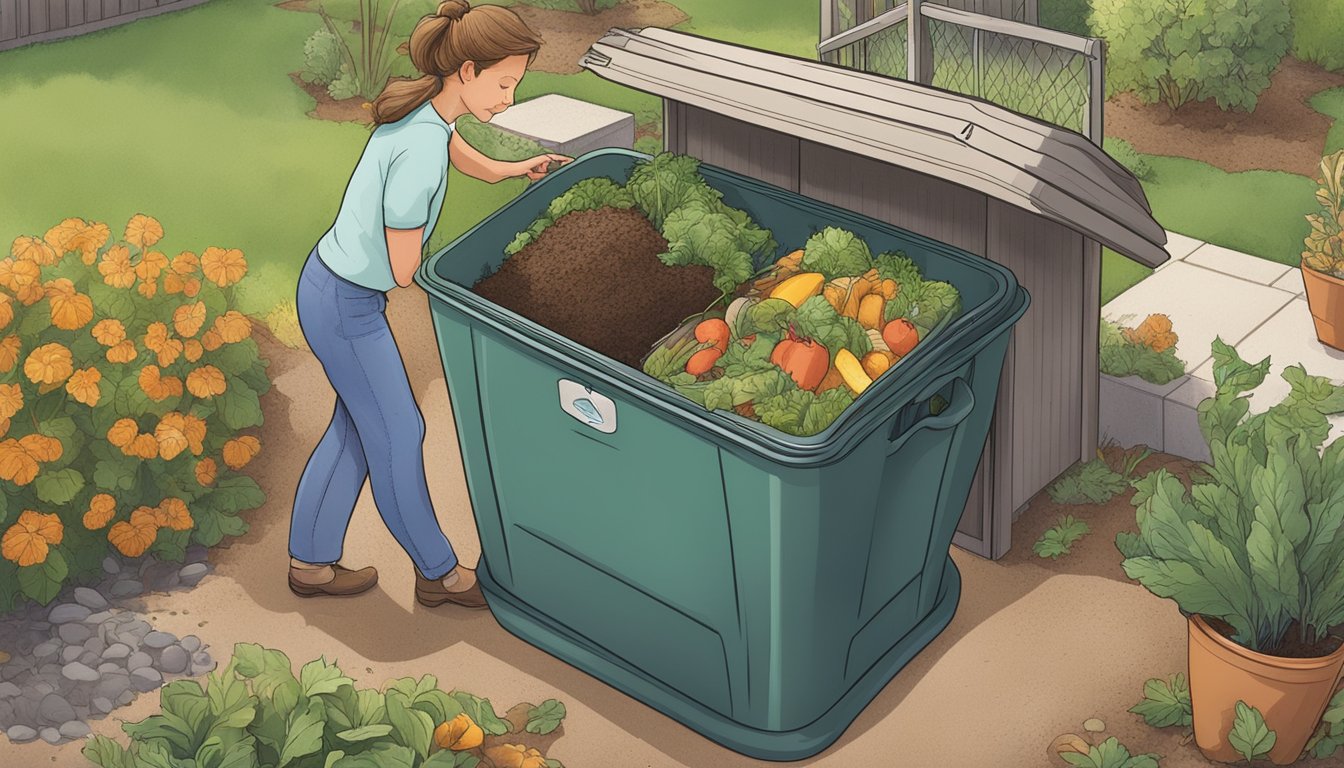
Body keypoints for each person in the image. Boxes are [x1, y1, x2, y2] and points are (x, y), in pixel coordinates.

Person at [287, 0, 567, 608]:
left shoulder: (429, 119)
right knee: (398, 428)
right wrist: (470, 283)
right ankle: (439, 573)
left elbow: (462, 156)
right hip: (346, 303)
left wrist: (518, 169)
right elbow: (407, 269)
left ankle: (309, 562)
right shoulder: (416, 150)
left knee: (359, 429)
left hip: (330, 287)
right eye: (504, 83)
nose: (509, 98)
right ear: (466, 71)